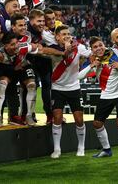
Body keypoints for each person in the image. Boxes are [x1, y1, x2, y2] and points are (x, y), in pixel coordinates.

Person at [79, 35, 118, 158]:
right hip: (106, 95)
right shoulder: (94, 61)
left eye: (100, 45)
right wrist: (92, 65)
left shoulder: (116, 54)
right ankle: (107, 150)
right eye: (95, 47)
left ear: (104, 45)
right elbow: (78, 77)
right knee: (97, 123)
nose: (99, 48)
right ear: (92, 50)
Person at [49, 25, 91, 159]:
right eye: (64, 34)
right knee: (57, 118)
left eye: (68, 34)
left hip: (74, 88)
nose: (67, 36)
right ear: (57, 37)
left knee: (79, 119)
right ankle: (57, 149)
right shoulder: (53, 49)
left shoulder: (79, 47)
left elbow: (92, 54)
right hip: (57, 88)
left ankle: (81, 147)